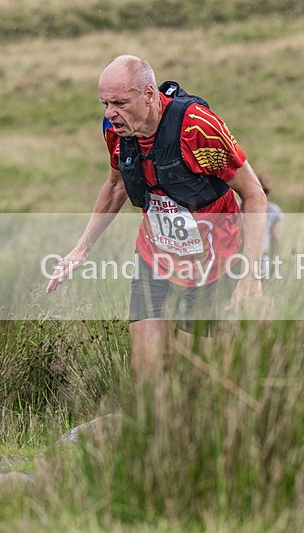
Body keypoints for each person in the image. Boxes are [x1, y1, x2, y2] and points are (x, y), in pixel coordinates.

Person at [46, 55, 266, 379]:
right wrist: (81, 249)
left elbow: (254, 196)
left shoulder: (197, 128)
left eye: (119, 102)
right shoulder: (115, 131)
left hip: (215, 266)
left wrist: (249, 277)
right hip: (156, 262)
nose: (109, 114)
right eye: (104, 103)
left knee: (207, 381)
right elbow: (116, 185)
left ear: (149, 95)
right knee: (147, 380)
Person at [256, 173, 283, 278]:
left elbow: (275, 240)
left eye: (265, 192)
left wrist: (274, 268)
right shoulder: (237, 207)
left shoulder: (272, 210)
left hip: (262, 260)